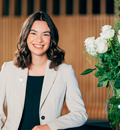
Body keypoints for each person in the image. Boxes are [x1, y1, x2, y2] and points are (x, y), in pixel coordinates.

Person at [0, 11, 88, 130]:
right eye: (34, 33)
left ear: (51, 38)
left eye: (45, 34)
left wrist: (49, 127)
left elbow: (80, 114)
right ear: (26, 36)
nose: (39, 40)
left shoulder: (65, 71)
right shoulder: (8, 69)